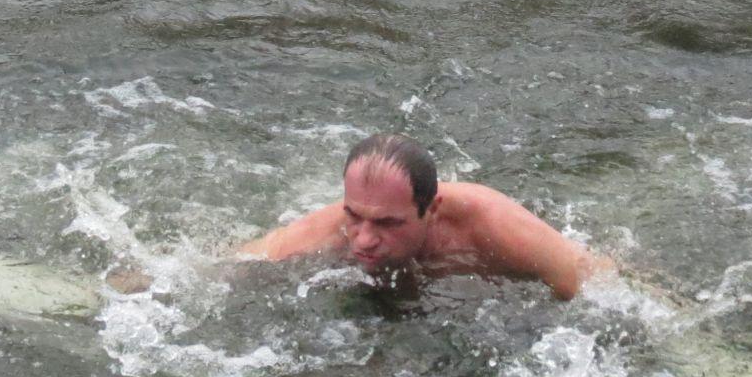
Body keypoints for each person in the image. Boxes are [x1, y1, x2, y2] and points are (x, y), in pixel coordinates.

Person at [107, 133, 608, 300]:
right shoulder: (329, 229)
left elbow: (606, 287)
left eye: (388, 225)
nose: (363, 240)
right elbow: (207, 271)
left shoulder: (494, 227)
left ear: (430, 210)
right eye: (355, 218)